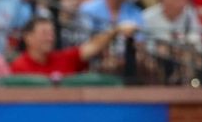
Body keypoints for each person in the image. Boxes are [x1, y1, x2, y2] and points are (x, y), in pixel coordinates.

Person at [10, 16, 138, 77]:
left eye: (51, 33)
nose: (50, 38)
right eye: (44, 33)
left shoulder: (65, 57)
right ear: (28, 37)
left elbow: (93, 46)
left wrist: (115, 31)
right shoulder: (19, 66)